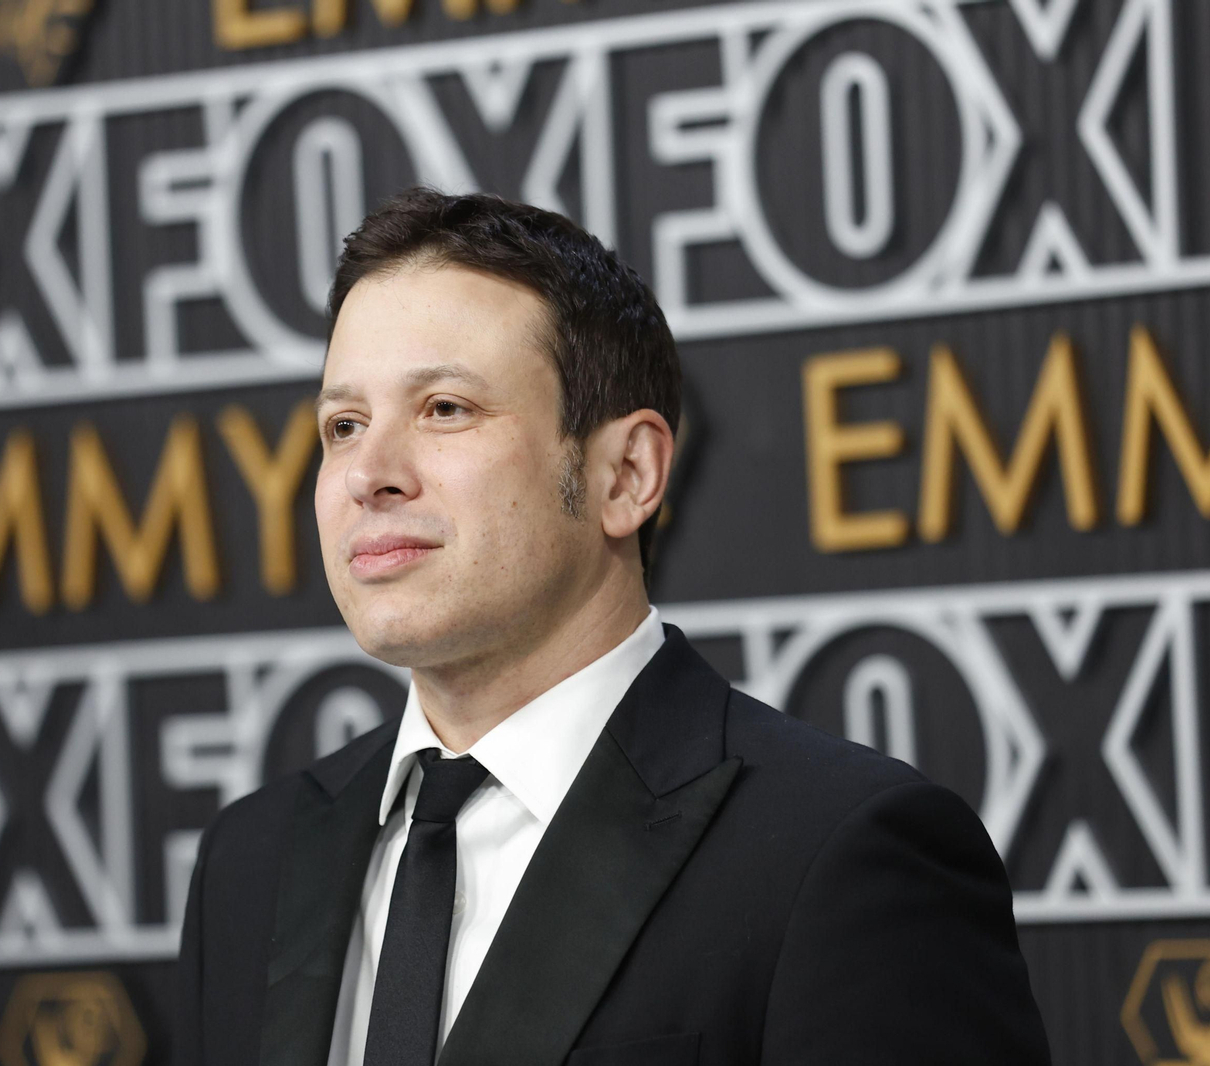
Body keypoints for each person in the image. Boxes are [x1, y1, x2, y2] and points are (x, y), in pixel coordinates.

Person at [175, 186, 1052, 1066]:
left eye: (446, 408)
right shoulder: (251, 862)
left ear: (626, 474)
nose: (369, 474)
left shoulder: (842, 857)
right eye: (344, 424)